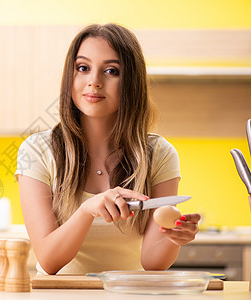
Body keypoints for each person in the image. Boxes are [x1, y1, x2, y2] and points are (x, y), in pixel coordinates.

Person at [15, 23, 201, 275]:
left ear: (131, 83)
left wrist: (173, 235)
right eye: (83, 68)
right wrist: (87, 210)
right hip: (61, 293)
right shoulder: (36, 151)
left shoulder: (159, 153)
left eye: (111, 71)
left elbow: (153, 262)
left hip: (128, 292)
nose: (94, 81)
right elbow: (49, 260)